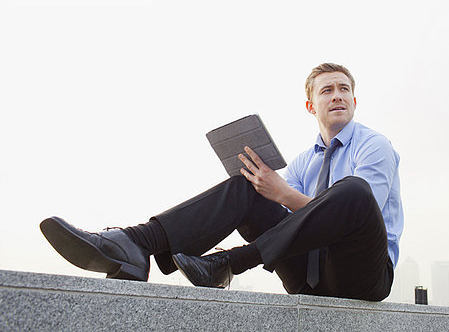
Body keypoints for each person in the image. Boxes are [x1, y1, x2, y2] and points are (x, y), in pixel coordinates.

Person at [40, 63, 403, 301]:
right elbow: (286, 218)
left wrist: (284, 194)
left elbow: (352, 217)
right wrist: (266, 189)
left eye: (343, 90)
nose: (337, 95)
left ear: (354, 100)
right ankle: (134, 245)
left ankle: (230, 262)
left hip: (361, 277)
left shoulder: (374, 146)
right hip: (307, 277)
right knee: (249, 185)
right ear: (310, 106)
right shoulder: (304, 162)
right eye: (327, 90)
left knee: (352, 191)